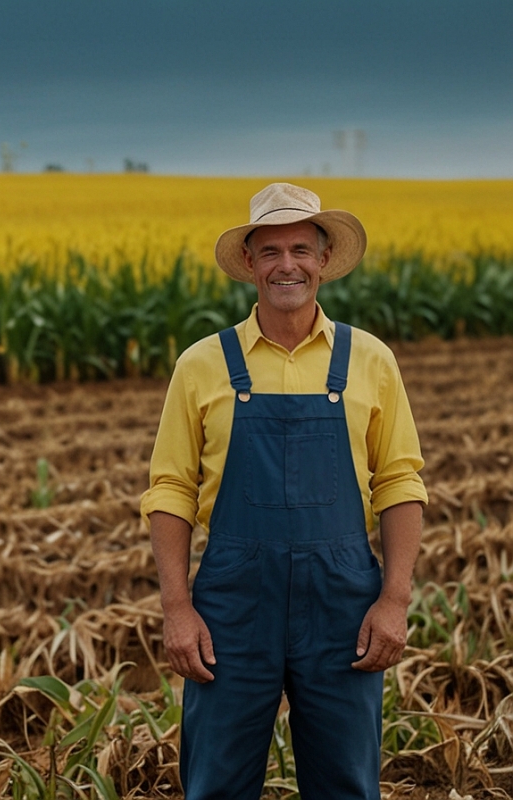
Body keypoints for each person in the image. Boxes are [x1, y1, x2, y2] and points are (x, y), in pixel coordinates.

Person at [141, 183, 427, 799]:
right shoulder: (202, 365)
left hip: (343, 604)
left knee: (347, 784)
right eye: (270, 251)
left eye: (301, 248)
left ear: (324, 258)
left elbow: (400, 482)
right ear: (249, 263)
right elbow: (170, 490)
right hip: (233, 608)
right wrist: (177, 607)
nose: (286, 265)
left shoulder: (371, 360)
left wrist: (395, 599)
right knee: (215, 784)